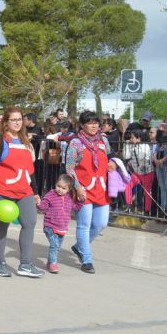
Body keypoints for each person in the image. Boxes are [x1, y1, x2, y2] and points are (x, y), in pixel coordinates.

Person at [0, 106, 44, 278]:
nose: (17, 122)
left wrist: (36, 191)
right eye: (13, 119)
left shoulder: (26, 141)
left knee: (29, 223)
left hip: (24, 190)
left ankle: (25, 264)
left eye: (19, 119)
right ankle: (0, 263)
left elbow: (30, 170)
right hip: (1, 190)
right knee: (2, 227)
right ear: (5, 122)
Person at [66, 111, 111, 274]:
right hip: (83, 189)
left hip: (101, 189)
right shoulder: (75, 143)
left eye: (96, 122)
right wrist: (77, 187)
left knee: (101, 224)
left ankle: (79, 247)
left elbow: (109, 158)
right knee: (84, 225)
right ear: (82, 125)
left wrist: (113, 164)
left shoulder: (104, 140)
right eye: (89, 123)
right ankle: (87, 259)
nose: (93, 126)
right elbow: (69, 168)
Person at [38, 174, 84, 274]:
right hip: (50, 225)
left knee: (57, 247)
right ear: (55, 184)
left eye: (64, 188)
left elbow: (76, 207)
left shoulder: (69, 198)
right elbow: (43, 206)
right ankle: (53, 264)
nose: (60, 189)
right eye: (58, 186)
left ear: (68, 189)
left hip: (62, 227)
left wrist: (81, 202)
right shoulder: (51, 194)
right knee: (54, 245)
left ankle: (50, 262)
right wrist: (39, 204)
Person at [124, 130, 155, 213]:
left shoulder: (145, 146)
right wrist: (127, 146)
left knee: (147, 192)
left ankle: (147, 210)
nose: (130, 139)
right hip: (137, 173)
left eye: (132, 138)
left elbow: (141, 157)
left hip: (147, 173)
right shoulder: (133, 146)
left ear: (138, 139)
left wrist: (135, 147)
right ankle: (129, 206)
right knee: (128, 186)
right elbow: (126, 156)